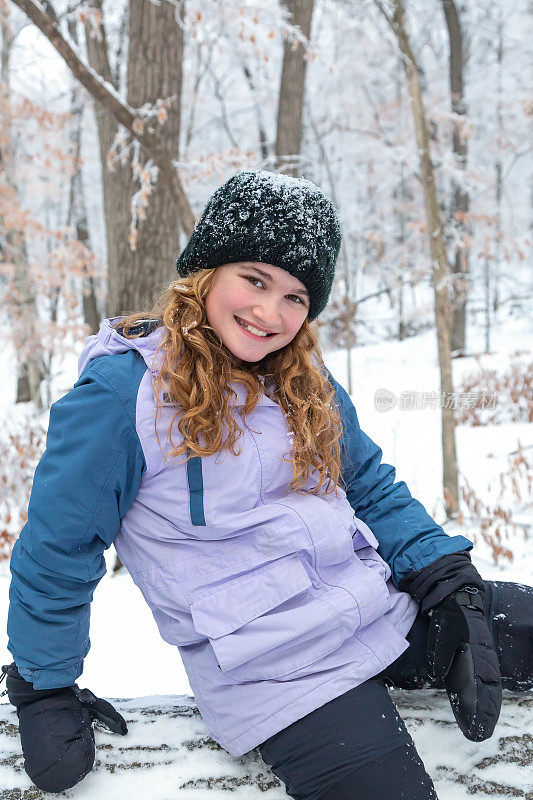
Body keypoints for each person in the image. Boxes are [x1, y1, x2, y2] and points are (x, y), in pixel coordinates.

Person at [2, 170, 532, 798]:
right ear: (207, 274)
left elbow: (371, 486)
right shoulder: (123, 395)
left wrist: (445, 578)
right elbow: (59, 547)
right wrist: (44, 688)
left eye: (296, 297)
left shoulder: (303, 381)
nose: (268, 313)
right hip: (277, 674)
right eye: (254, 279)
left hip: (378, 610)